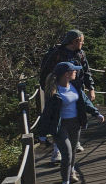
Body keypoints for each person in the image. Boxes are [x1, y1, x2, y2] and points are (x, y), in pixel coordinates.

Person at [40, 62, 105, 184]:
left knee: (73, 152)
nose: (76, 72)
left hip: (75, 123)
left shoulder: (75, 86)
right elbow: (47, 113)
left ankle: (71, 172)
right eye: (73, 70)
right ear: (66, 74)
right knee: (67, 154)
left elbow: (85, 101)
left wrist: (96, 113)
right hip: (60, 126)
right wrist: (42, 134)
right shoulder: (54, 90)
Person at [39, 30, 96, 162]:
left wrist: (91, 88)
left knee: (76, 115)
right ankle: (57, 151)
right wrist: (49, 90)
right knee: (57, 118)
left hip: (76, 90)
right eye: (81, 41)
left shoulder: (80, 54)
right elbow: (45, 73)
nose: (83, 43)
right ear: (75, 41)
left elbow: (86, 72)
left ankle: (74, 142)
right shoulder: (56, 54)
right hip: (57, 91)